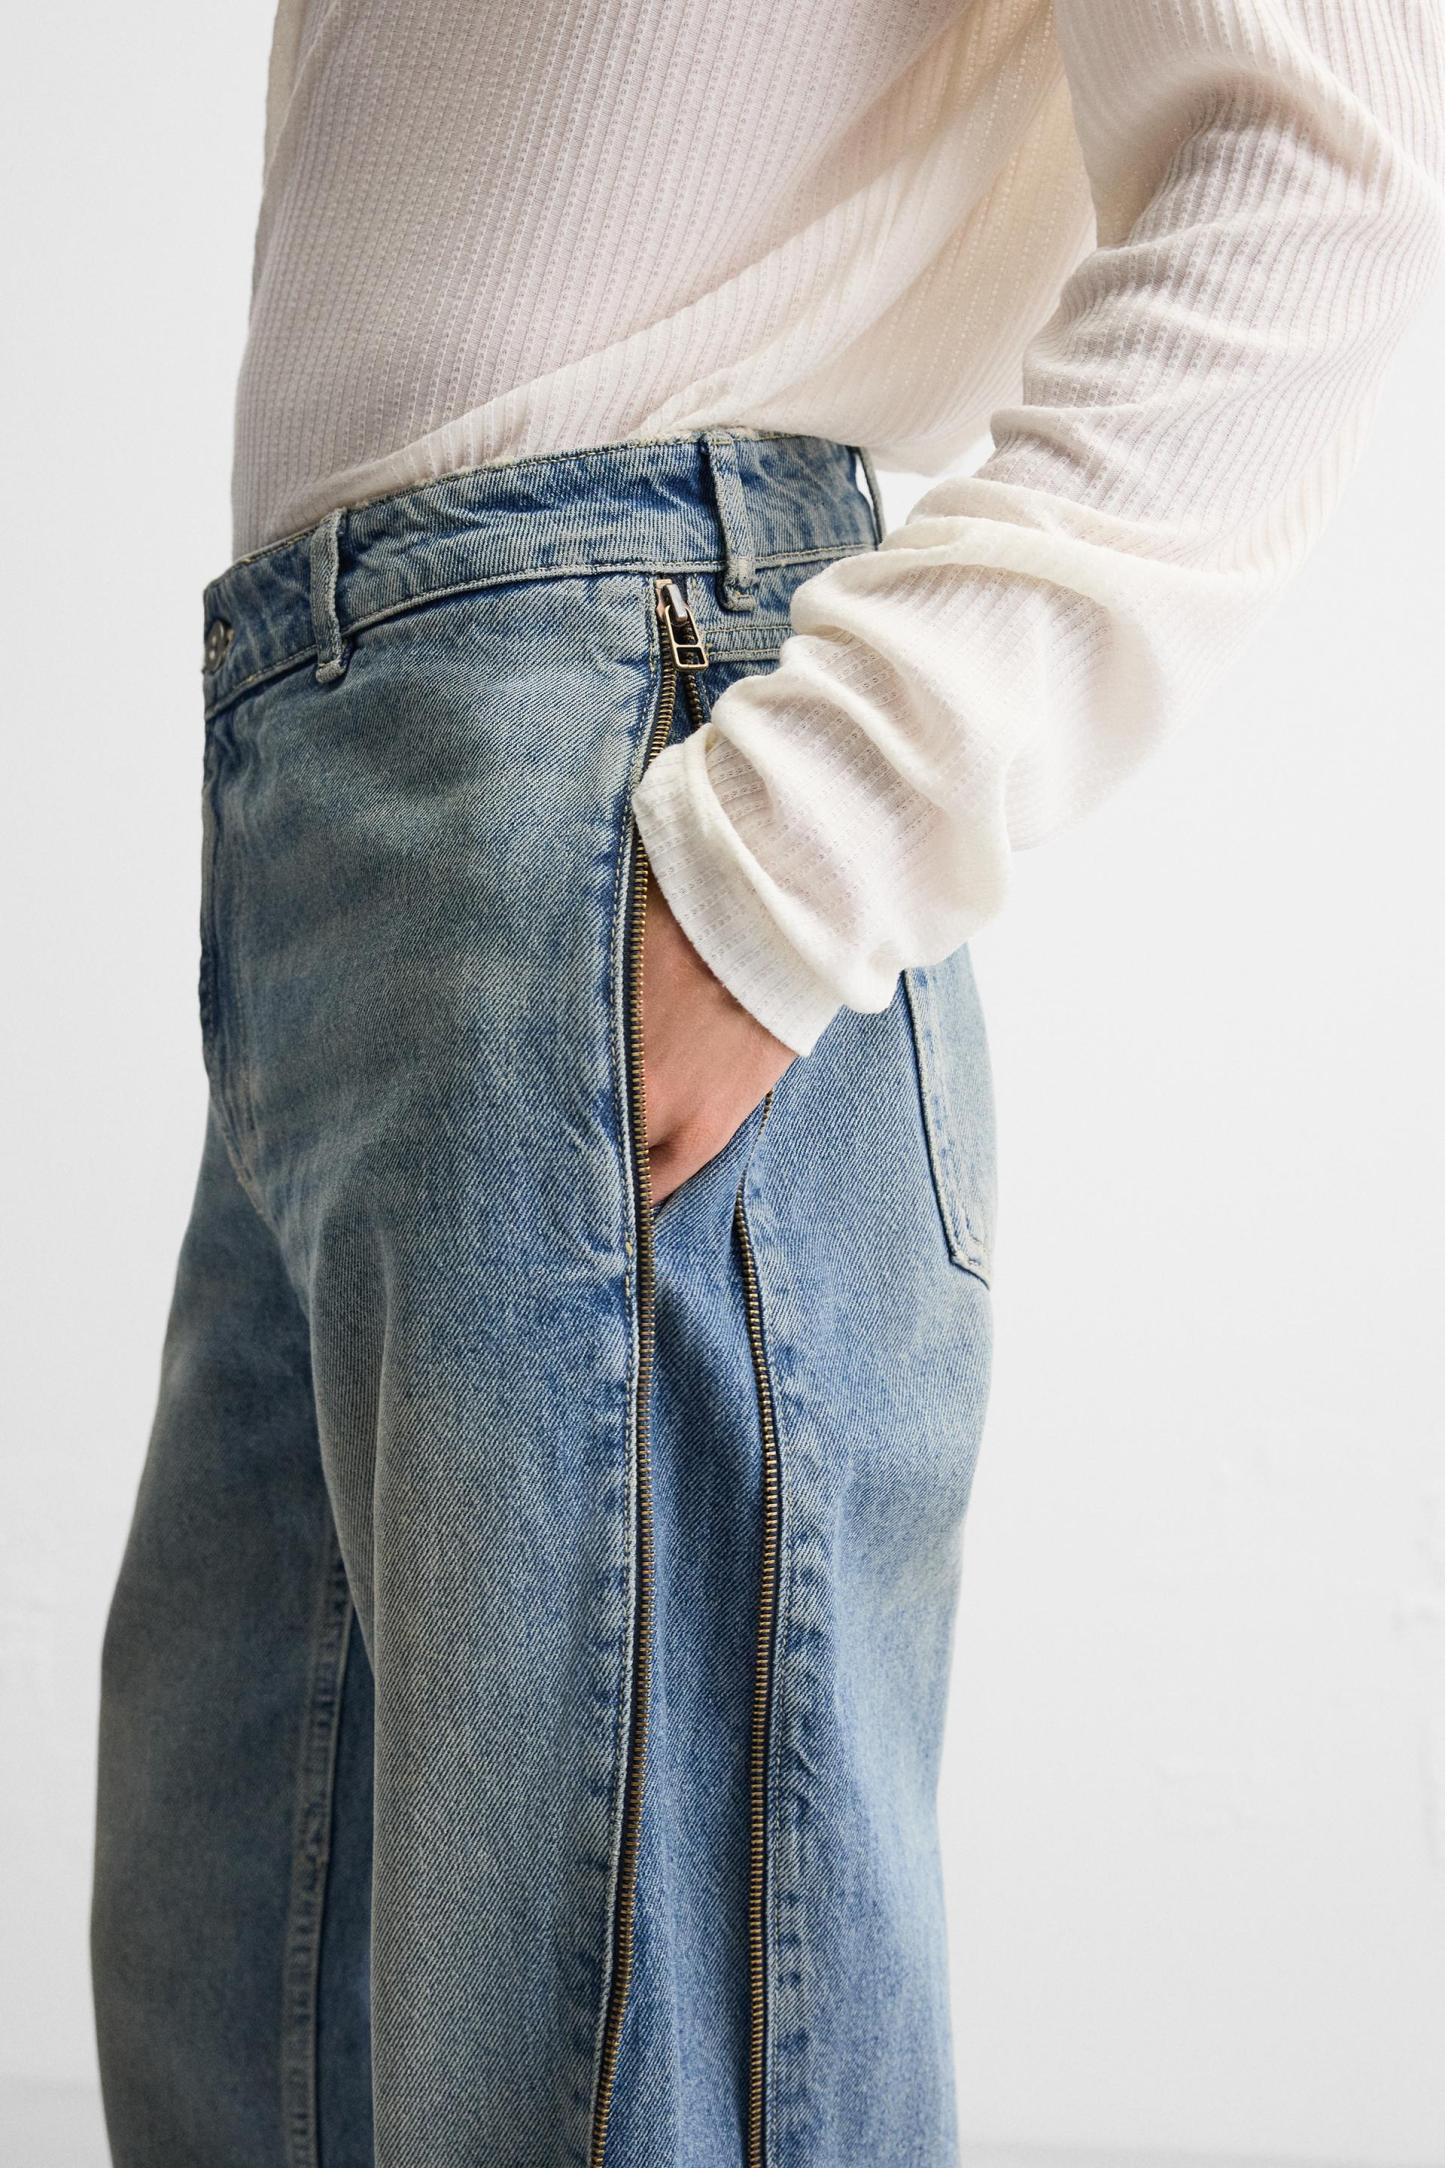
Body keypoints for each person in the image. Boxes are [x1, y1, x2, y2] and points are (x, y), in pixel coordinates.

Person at [91, 4, 1443, 2165]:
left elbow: (1326, 152)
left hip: (611, 760)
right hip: (337, 802)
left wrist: (797, 855)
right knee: (235, 2039)